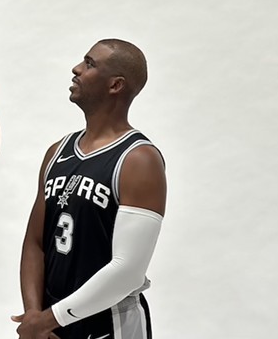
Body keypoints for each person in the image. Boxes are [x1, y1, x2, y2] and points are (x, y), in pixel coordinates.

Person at [11, 39, 166, 339]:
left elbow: (127, 270)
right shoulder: (58, 151)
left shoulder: (139, 160)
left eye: (90, 64)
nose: (76, 69)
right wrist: (33, 314)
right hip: (50, 325)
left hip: (109, 325)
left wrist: (46, 321)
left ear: (115, 85)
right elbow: (35, 242)